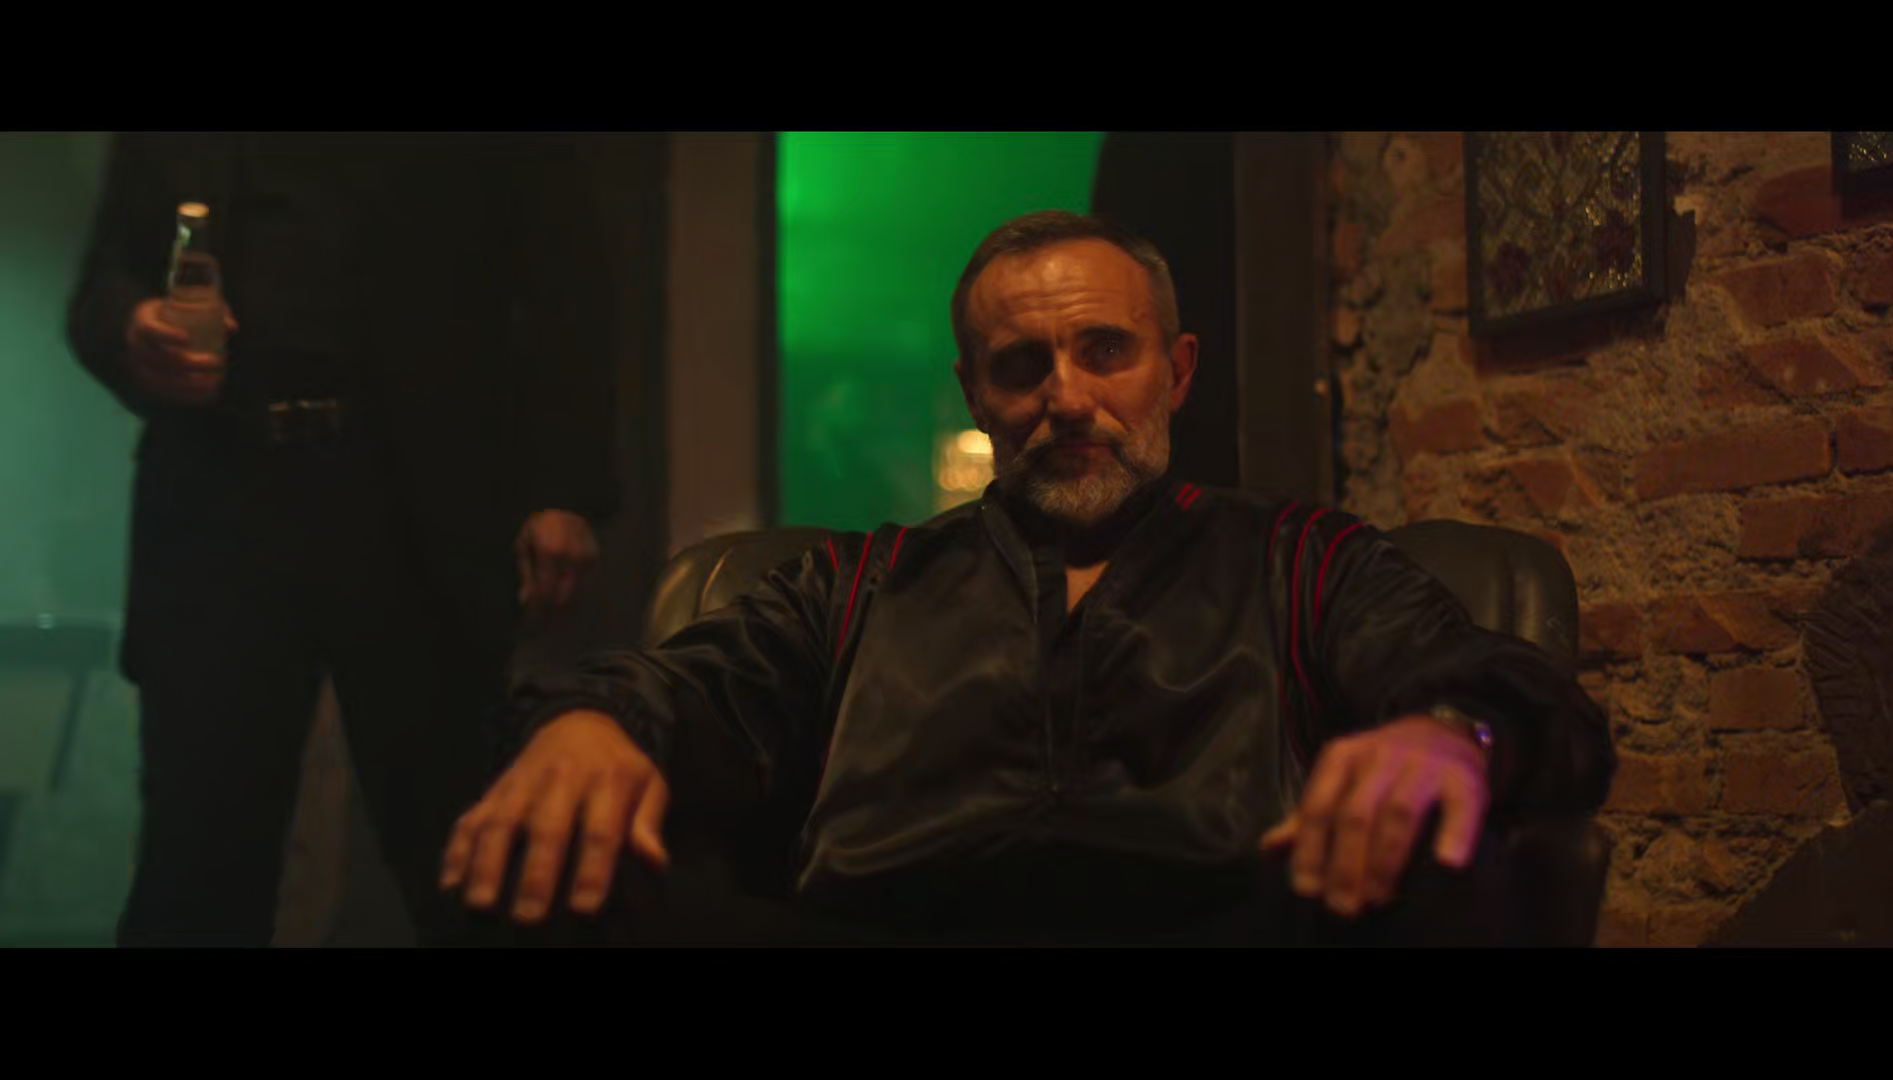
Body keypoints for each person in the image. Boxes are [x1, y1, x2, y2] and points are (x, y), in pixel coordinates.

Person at [441, 209, 1614, 946]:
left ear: (1176, 371)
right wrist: (591, 726)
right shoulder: (857, 585)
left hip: (1219, 928)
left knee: (1452, 869)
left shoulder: (1297, 559)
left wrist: (1451, 734)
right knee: (544, 860)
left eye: (1105, 351)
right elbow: (685, 687)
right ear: (976, 395)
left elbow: (1509, 689)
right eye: (1021, 365)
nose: (1067, 397)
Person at [65, 132, 619, 947]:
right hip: (221, 492)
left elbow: (565, 279)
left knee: (464, 848)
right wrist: (134, 328)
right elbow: (105, 281)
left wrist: (564, 489)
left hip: (413, 497)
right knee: (196, 863)